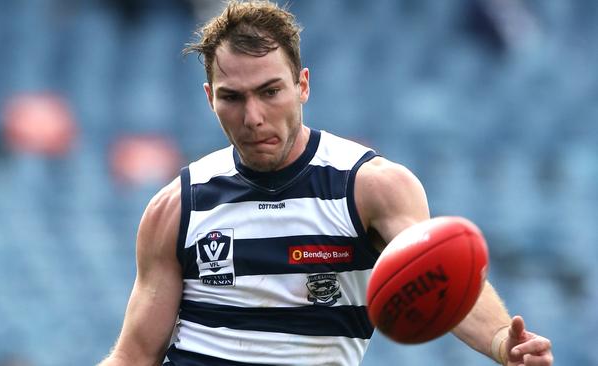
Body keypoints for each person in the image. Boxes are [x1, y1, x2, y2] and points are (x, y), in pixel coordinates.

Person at [98, 1, 554, 365]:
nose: (253, 117)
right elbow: (134, 354)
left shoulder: (370, 187)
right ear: (208, 98)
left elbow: (437, 275)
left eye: (270, 91)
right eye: (232, 98)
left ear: (302, 86)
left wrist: (501, 342)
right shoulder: (178, 206)